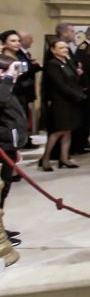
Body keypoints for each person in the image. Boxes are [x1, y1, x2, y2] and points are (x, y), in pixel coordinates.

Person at [40, 39, 87, 170]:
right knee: (58, 131)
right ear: (53, 50)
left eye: (66, 47)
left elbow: (74, 80)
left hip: (72, 101)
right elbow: (60, 85)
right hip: (60, 102)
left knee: (68, 131)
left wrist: (79, 74)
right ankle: (45, 158)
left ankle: (64, 158)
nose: (65, 50)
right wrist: (78, 95)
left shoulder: (69, 62)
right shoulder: (52, 64)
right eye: (61, 48)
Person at [0, 56, 29, 245]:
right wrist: (8, 78)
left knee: (5, 188)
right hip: (1, 145)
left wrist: (15, 147)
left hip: (8, 145)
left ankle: (0, 228)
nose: (15, 73)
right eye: (11, 69)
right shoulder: (3, 87)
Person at [1, 31, 42, 149]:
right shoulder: (3, 58)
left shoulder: (20, 55)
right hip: (8, 93)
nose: (17, 43)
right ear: (4, 43)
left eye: (18, 40)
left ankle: (21, 141)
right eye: (13, 41)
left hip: (21, 92)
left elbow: (25, 71)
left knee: (21, 118)